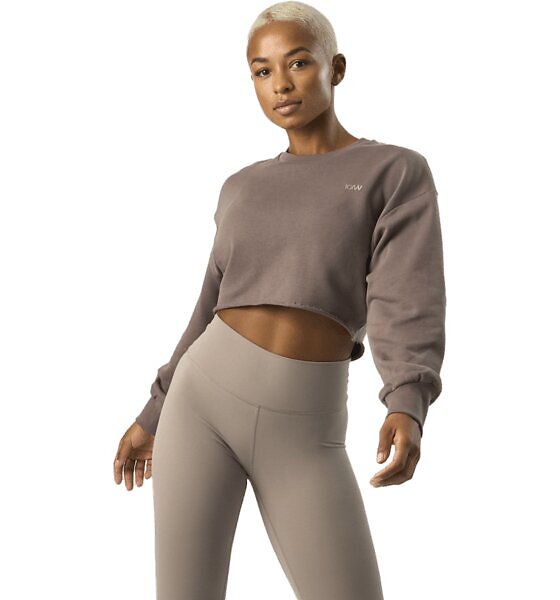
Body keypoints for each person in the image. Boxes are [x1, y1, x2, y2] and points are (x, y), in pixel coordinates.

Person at [113, 2, 446, 598]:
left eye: (297, 63)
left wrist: (408, 400)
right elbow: (209, 305)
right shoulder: (241, 186)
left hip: (306, 425)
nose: (280, 84)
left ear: (335, 68)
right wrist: (152, 412)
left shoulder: (393, 171)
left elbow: (407, 295)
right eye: (262, 71)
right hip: (200, 402)